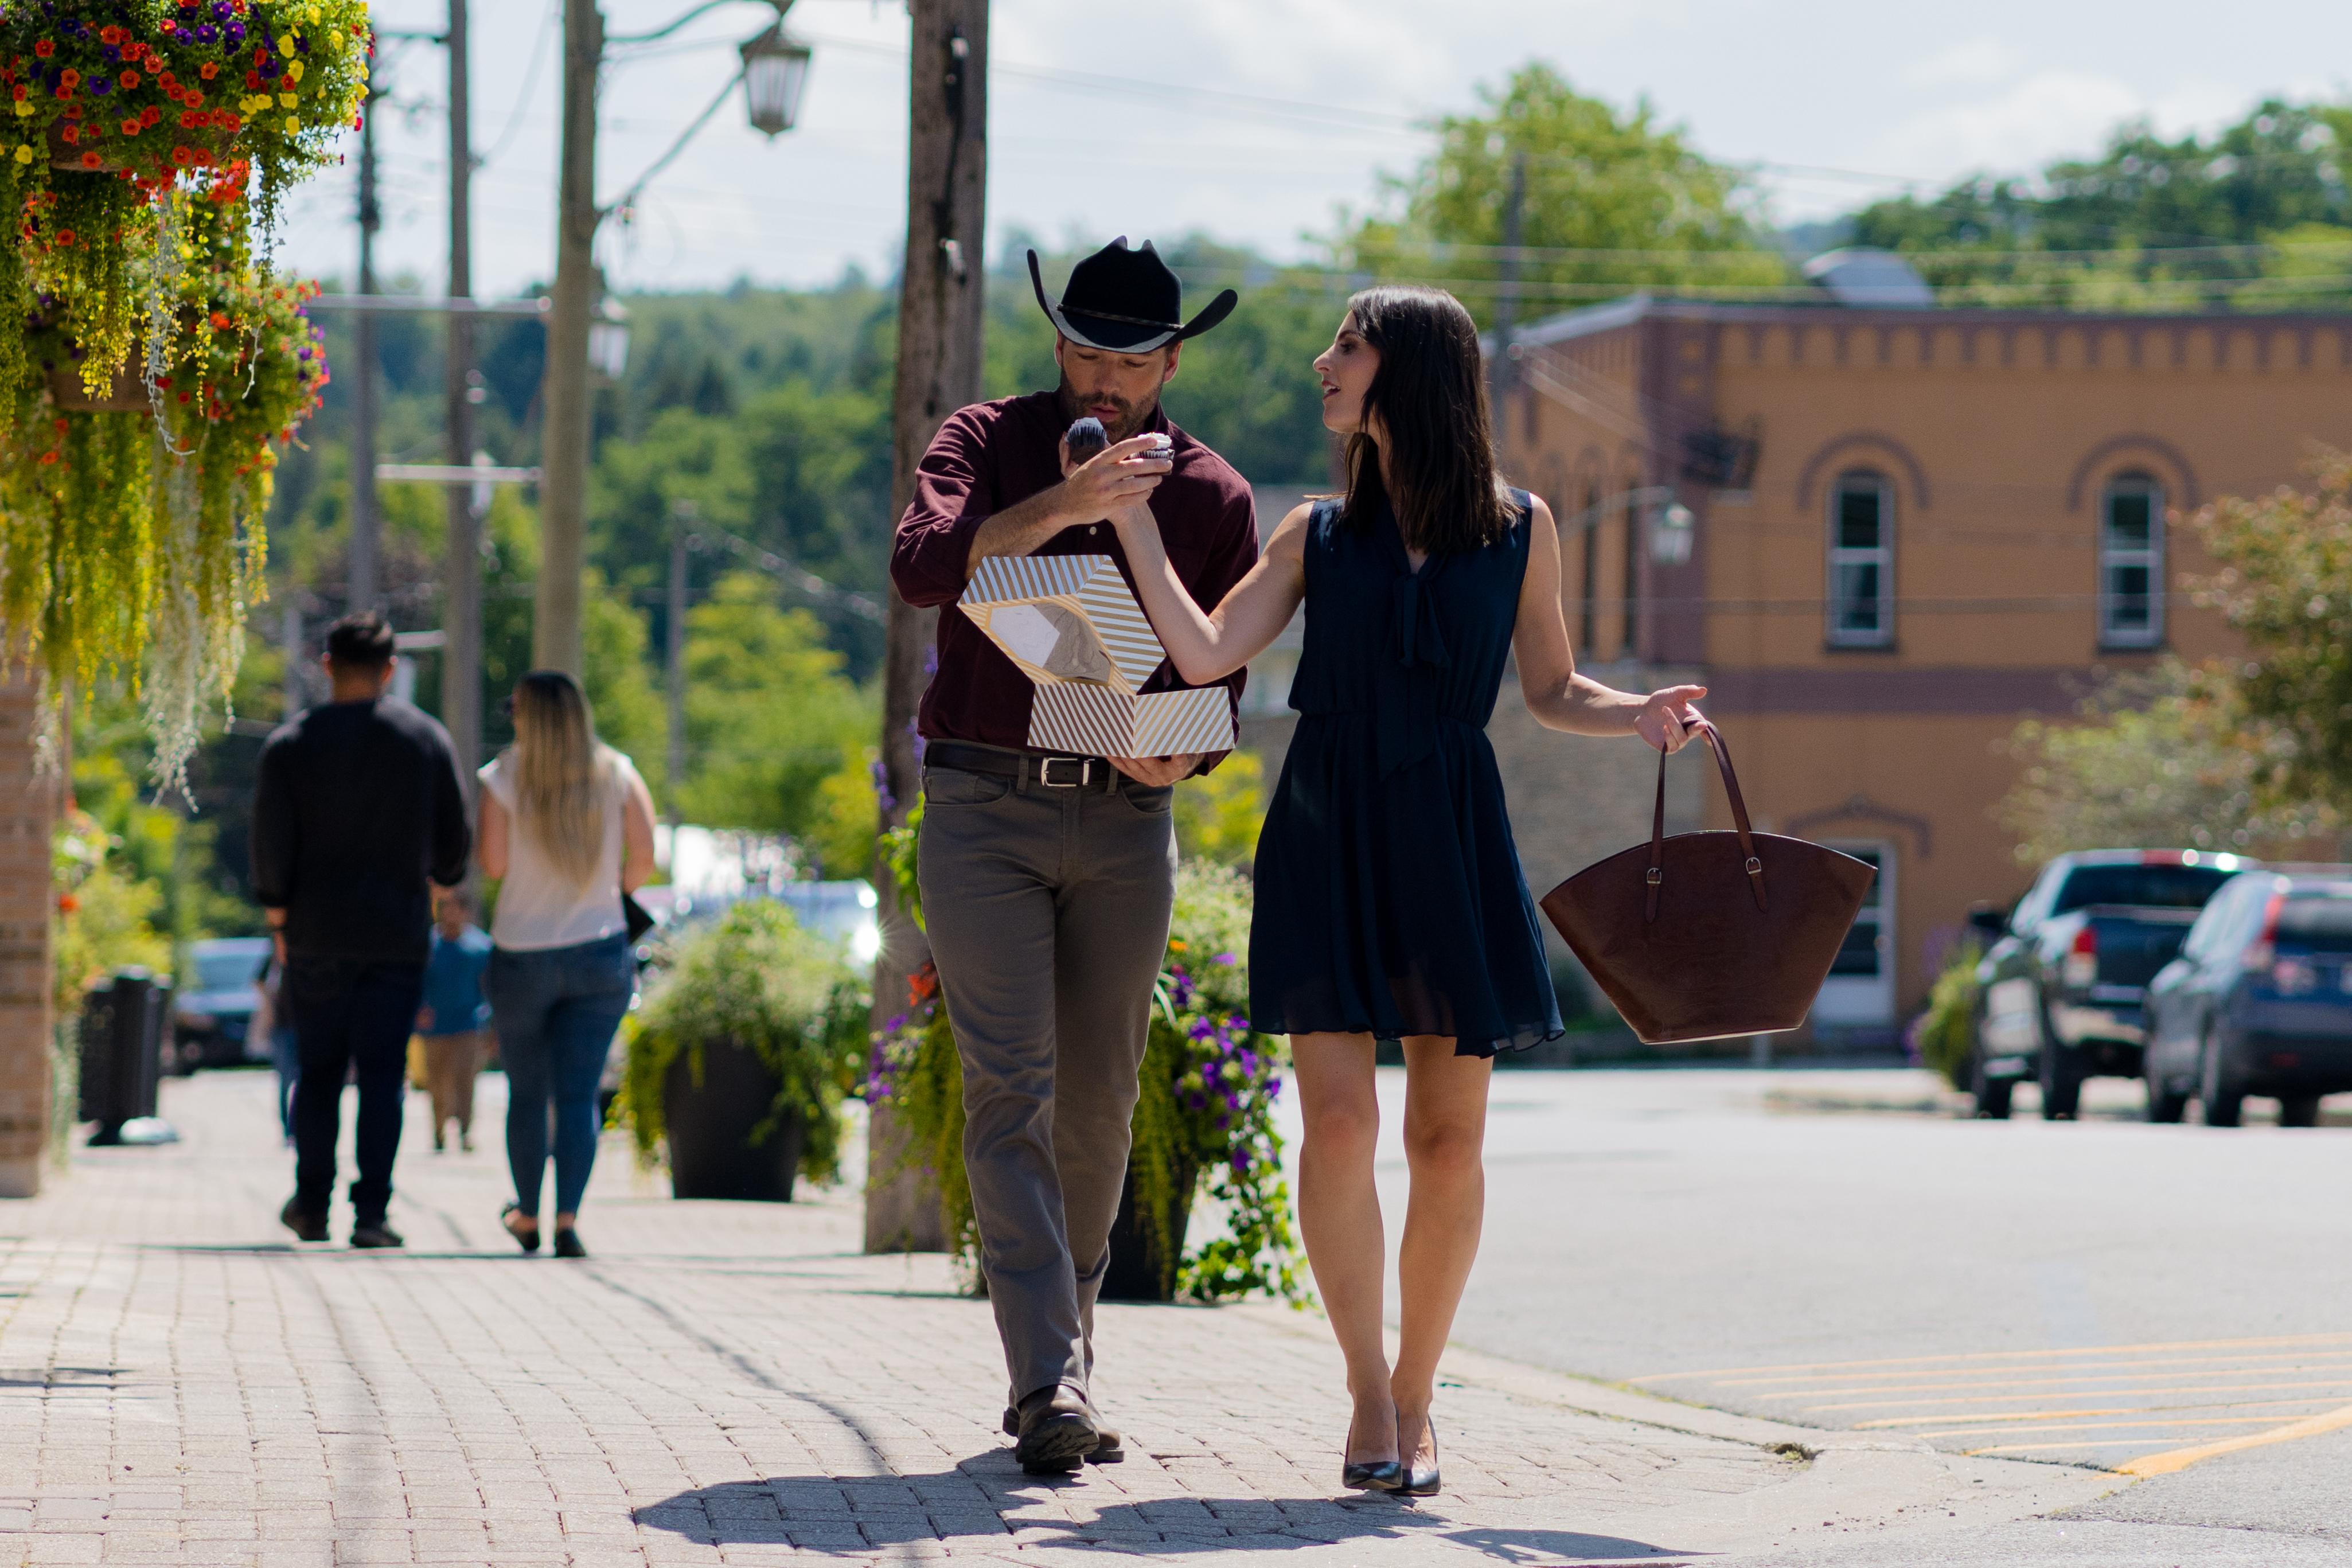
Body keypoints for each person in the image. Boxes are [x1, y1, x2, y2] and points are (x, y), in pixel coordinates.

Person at [1109, 286, 1707, 1496]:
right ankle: (1366, 1389)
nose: (1320, 362)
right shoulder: (1314, 534)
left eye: (1346, 345)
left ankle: (1421, 1392)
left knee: (1446, 1141)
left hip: (1449, 828)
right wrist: (1131, 528)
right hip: (1329, 827)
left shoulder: (1520, 527)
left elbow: (1549, 685)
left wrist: (1632, 714)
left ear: (1410, 370)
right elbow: (1207, 650)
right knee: (1336, 1123)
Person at [888, 237, 1259, 1475]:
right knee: (1011, 1088)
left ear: (1170, 362)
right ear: (1055, 344)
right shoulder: (982, 439)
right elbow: (920, 568)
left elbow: (1222, 683)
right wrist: (1058, 508)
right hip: (981, 804)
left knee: (1098, 1104)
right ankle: (1046, 1377)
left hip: (1122, 820)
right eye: (1087, 351)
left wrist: (1182, 757)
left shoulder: (1213, 496)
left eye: (1132, 359)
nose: (1106, 379)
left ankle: (1067, 1349)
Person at [252, 611, 472, 1250]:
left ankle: (313, 1203)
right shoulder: (426, 740)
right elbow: (454, 845)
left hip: (315, 932)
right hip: (397, 933)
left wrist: (278, 916)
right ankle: (372, 1213)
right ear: (390, 669)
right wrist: (436, 875)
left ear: (326, 666)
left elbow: (270, 841)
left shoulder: (292, 745)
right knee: (382, 1074)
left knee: (317, 1072)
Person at [477, 671, 656, 1261]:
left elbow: (494, 866)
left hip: (521, 952)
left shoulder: (502, 778)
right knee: (579, 1096)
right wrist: (603, 892)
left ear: (528, 716)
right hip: (599, 949)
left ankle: (526, 1214)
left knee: (527, 1092)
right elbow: (645, 861)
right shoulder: (618, 773)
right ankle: (568, 1219)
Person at [416, 890, 494, 1154]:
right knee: (437, 1083)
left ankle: (465, 1131)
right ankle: (438, 1132)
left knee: (465, 1080)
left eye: (455, 908)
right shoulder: (428, 945)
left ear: (466, 912)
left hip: (469, 1024)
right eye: (445, 908)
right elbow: (417, 981)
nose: (450, 913)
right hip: (435, 1026)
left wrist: (492, 1023)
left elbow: (489, 985)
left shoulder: (480, 947)